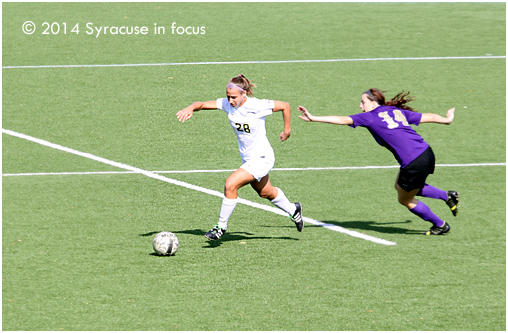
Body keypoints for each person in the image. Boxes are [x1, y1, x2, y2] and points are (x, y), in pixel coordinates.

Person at [298, 88, 459, 235]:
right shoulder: (394, 110)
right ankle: (447, 196)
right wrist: (447, 120)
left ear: (373, 102)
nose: (361, 106)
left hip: (413, 162)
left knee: (404, 199)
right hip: (426, 153)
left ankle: (440, 225)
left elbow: (342, 119)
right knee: (400, 186)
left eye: (363, 102)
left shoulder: (369, 117)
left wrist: (313, 118)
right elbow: (429, 117)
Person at [176, 74, 303, 240]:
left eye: (233, 97)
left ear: (244, 94)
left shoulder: (256, 105)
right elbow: (201, 104)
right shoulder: (227, 104)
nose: (230, 101)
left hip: (262, 157)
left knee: (230, 184)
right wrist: (190, 108)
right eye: (228, 96)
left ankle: (220, 227)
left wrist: (287, 130)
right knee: (266, 193)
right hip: (248, 158)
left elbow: (285, 106)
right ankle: (294, 210)